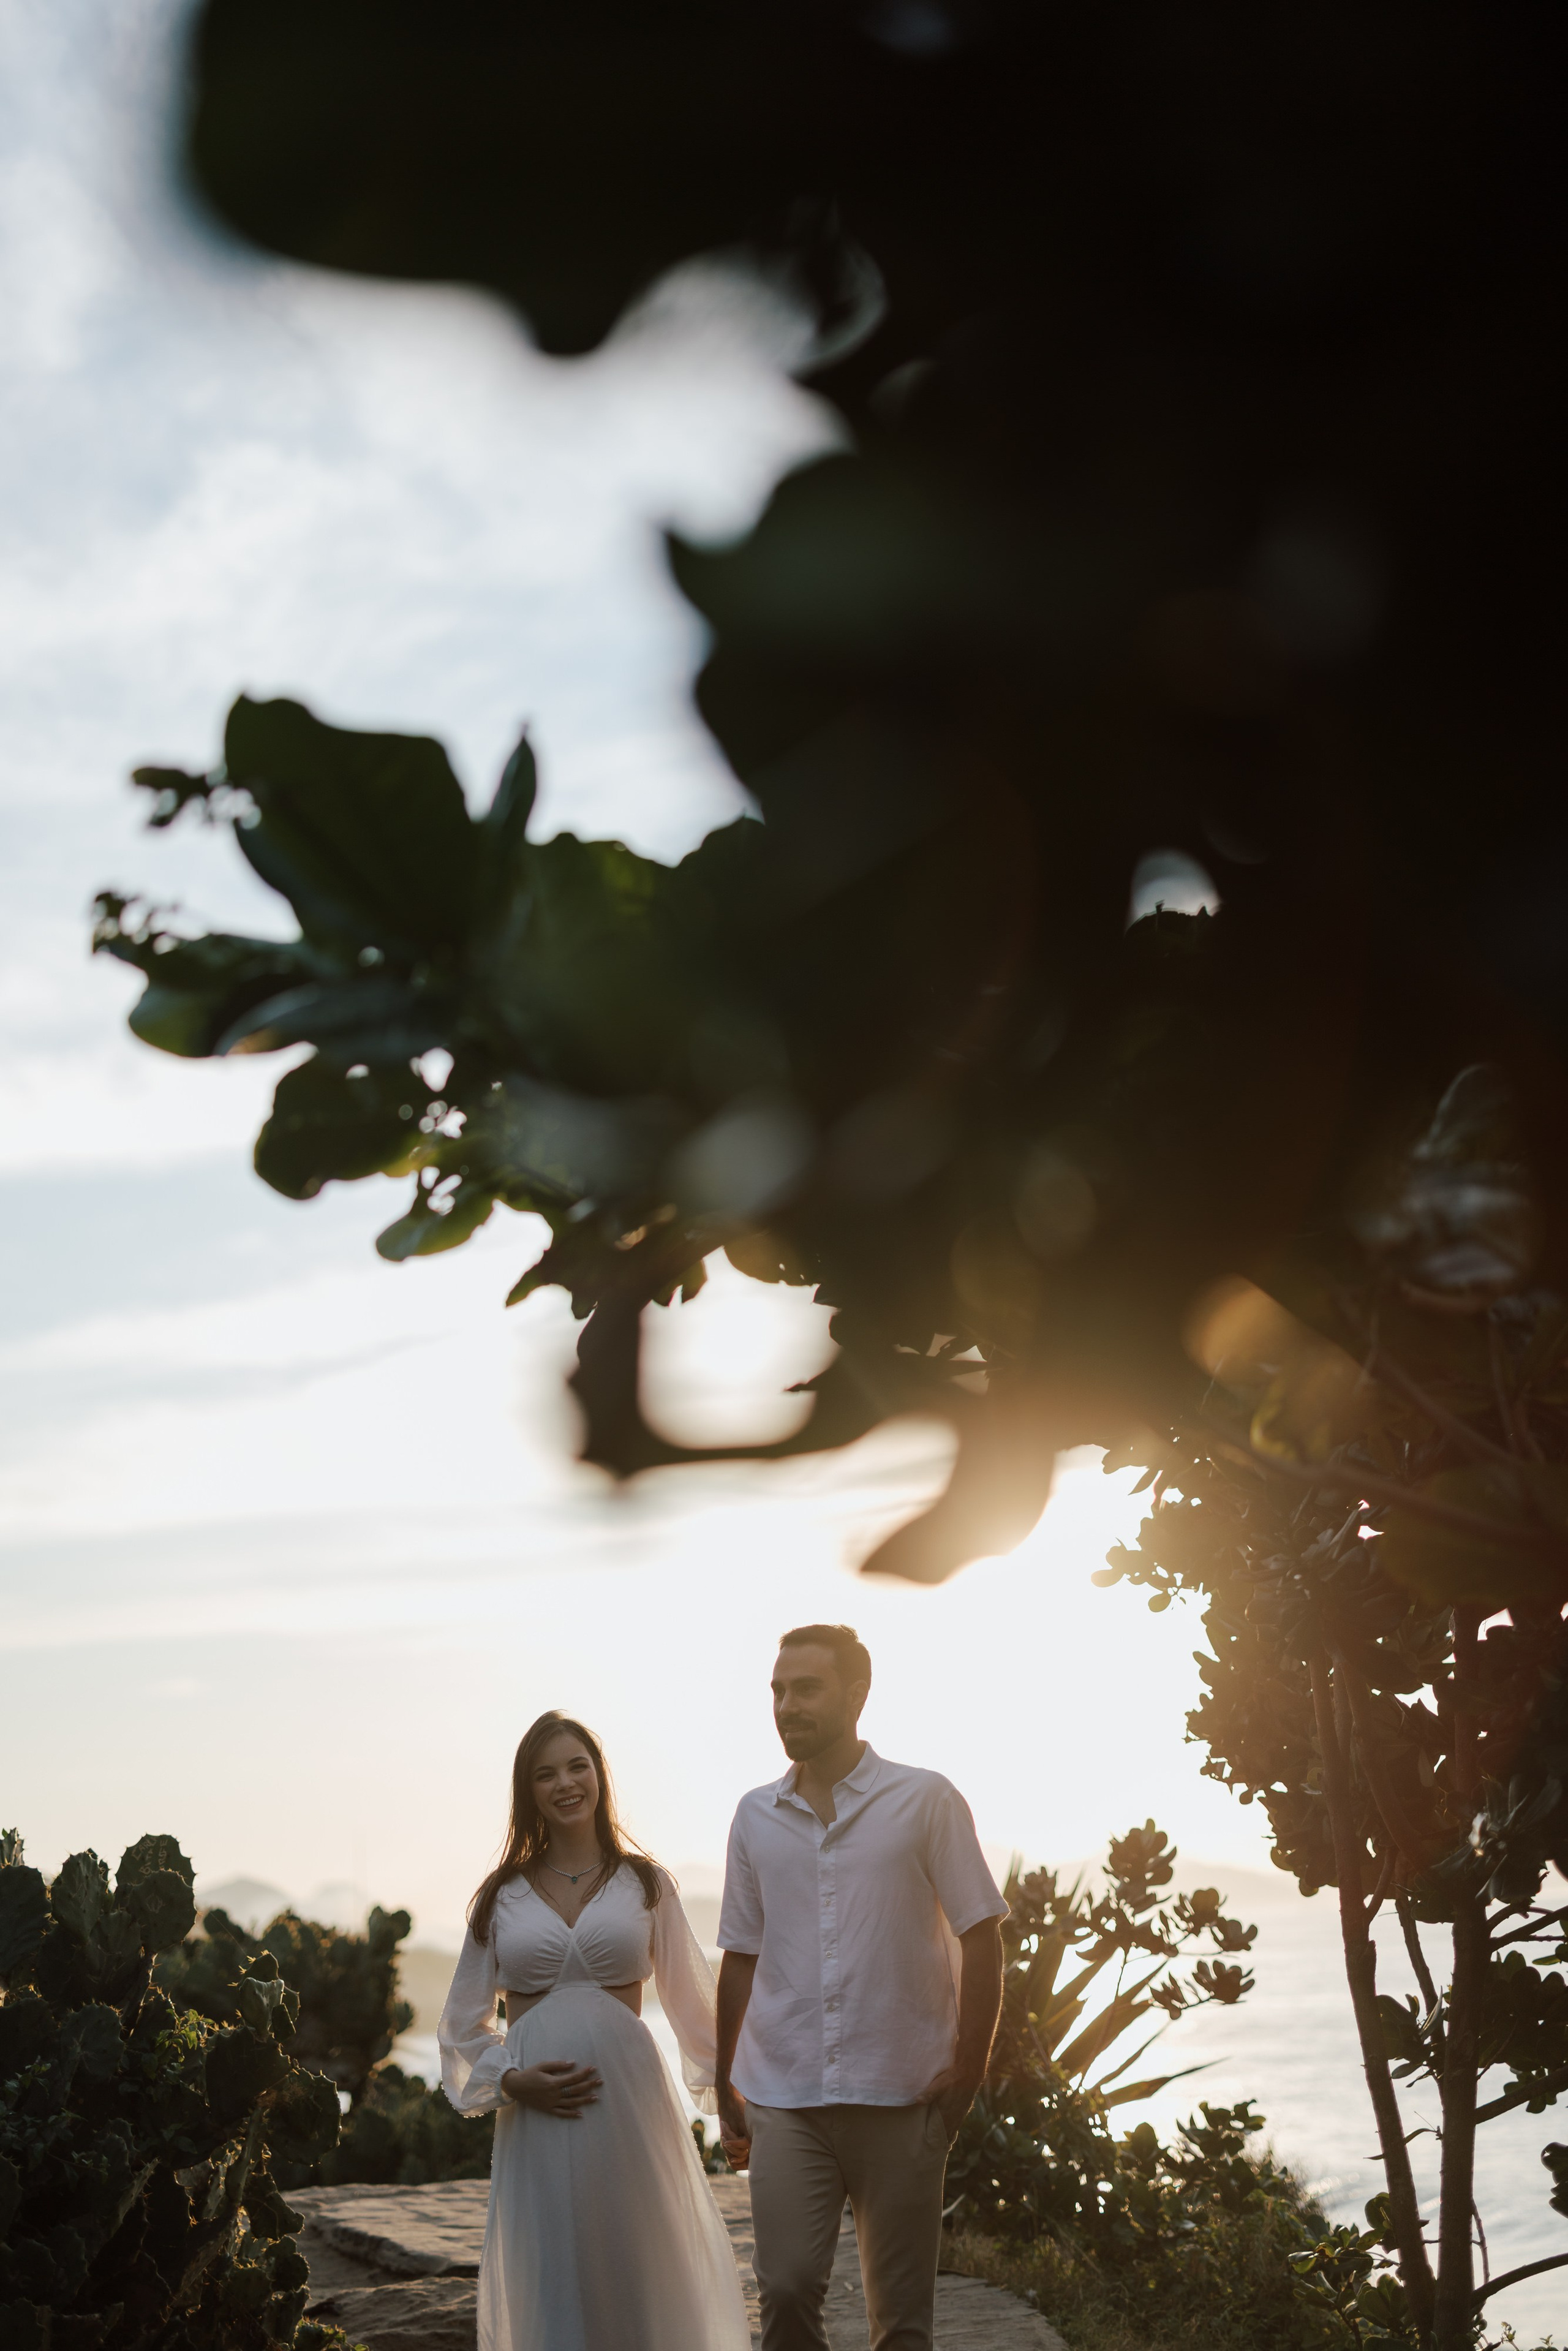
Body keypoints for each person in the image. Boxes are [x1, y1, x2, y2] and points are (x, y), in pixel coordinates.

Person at [715, 1625, 1007, 2351]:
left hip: (904, 2094)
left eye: (805, 1688)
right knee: (783, 2290)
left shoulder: (926, 1800)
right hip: (785, 2098)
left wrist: (967, 2073)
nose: (786, 1705)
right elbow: (740, 1955)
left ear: (856, 1694)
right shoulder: (754, 1815)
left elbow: (981, 1933)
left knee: (902, 2324)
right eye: (777, 1691)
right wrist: (725, 2082)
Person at [439, 1711, 750, 2351]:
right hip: (536, 2112)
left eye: (577, 1766)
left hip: (628, 2100)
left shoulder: (645, 1882)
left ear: (599, 1776)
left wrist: (733, 2106)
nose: (565, 1783)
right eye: (545, 1773)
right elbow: (460, 2025)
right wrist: (512, 2080)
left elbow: (696, 2007)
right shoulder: (501, 1896)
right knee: (551, 2261)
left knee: (638, 2253)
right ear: (529, 1792)